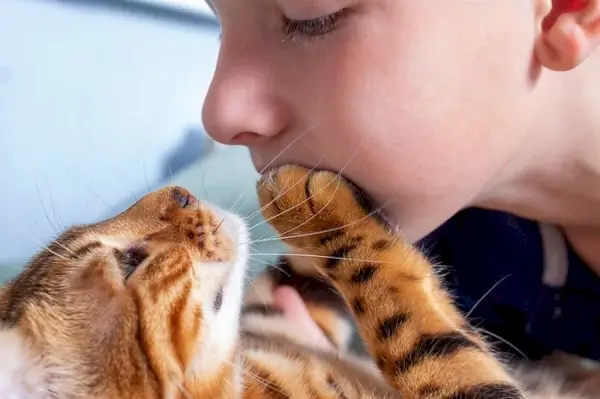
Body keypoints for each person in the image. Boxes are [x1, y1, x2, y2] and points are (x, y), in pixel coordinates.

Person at [201, 0, 600, 361]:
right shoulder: (437, 241)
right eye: (220, 26)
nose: (219, 113)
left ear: (563, 9)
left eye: (312, 20)